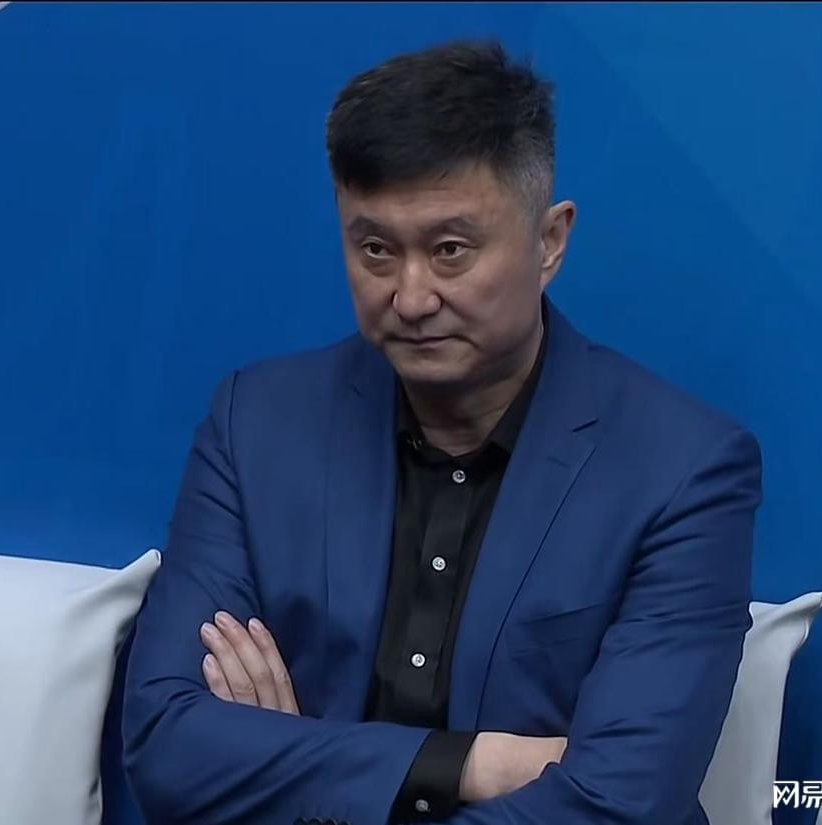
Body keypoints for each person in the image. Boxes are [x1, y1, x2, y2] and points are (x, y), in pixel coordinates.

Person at [122, 40, 762, 825]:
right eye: (376, 250)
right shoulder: (255, 425)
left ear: (550, 241)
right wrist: (477, 762)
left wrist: (295, 761)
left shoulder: (684, 468)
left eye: (451, 251)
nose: (411, 297)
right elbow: (168, 746)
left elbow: (621, 800)